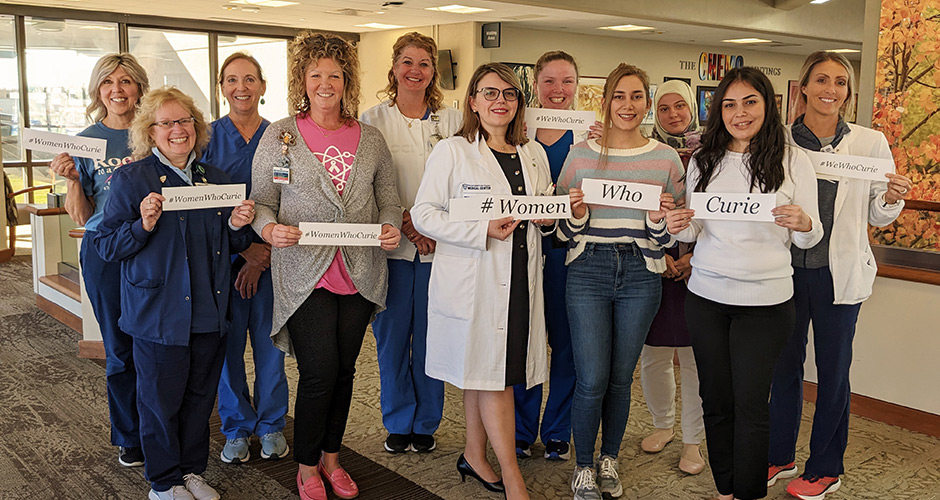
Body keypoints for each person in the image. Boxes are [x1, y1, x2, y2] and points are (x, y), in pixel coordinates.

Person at [249, 31, 401, 500]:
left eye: (334, 74)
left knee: (346, 371)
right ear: (302, 79)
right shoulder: (280, 135)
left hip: (360, 272)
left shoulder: (370, 139)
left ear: (347, 81)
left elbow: (389, 200)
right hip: (304, 273)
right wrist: (269, 231)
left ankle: (333, 459)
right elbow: (260, 203)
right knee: (319, 372)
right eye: (316, 74)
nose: (325, 83)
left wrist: (391, 226)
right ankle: (307, 465)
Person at [665, 67, 823, 500]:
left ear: (767, 106)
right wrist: (679, 223)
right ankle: (725, 488)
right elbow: (694, 232)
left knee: (751, 406)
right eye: (729, 104)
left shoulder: (794, 160)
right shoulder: (704, 159)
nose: (740, 113)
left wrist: (805, 223)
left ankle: (748, 492)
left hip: (767, 302)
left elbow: (812, 234)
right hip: (707, 299)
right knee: (716, 402)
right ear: (719, 111)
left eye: (750, 102)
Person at [94, 86, 256, 500]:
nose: (177, 130)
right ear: (150, 132)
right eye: (166, 123)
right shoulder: (132, 179)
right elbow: (107, 246)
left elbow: (231, 245)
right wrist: (141, 225)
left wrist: (238, 225)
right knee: (160, 401)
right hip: (158, 313)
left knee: (200, 399)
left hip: (208, 309)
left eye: (184, 121)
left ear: (197, 128)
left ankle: (191, 472)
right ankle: (163, 481)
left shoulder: (217, 181)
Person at [767, 51, 911, 500]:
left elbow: (877, 214)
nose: (831, 89)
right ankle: (779, 453)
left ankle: (826, 467)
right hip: (785, 272)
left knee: (833, 372)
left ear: (847, 92)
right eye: (822, 80)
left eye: (840, 82)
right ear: (804, 87)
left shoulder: (869, 143)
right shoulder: (779, 141)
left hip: (838, 274)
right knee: (783, 368)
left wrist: (891, 197)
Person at [411, 62, 553, 500]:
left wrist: (559, 214)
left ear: (518, 103)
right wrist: (480, 230)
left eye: (509, 94)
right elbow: (424, 214)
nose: (500, 102)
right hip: (476, 278)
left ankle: (475, 454)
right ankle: (513, 478)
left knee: (484, 371)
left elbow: (541, 216)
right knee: (497, 376)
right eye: (490, 93)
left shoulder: (534, 154)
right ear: (472, 101)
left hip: (521, 277)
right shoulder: (452, 151)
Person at [556, 63, 684, 500]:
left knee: (620, 377)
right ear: (606, 101)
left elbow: (672, 234)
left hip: (641, 272)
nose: (627, 105)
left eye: (635, 96)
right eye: (618, 96)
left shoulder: (665, 159)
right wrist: (575, 215)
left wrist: (657, 222)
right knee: (590, 377)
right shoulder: (580, 155)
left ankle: (610, 456)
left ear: (646, 102)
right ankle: (584, 467)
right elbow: (561, 230)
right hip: (588, 268)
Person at [360, 32, 461, 455]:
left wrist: (433, 228)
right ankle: (398, 420)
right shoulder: (372, 119)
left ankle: (426, 422)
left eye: (424, 63)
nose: (415, 70)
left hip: (443, 250)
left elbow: (464, 182)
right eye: (407, 62)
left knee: (432, 338)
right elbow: (367, 183)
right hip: (393, 250)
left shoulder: (453, 120)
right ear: (394, 67)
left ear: (433, 71)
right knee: (393, 340)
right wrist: (408, 223)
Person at [48, 53, 150, 468]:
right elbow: (84, 216)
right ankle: (130, 435)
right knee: (119, 346)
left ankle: (163, 424)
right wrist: (72, 180)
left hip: (151, 246)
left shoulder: (154, 132)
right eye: (108, 82)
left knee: (158, 344)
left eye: (126, 81)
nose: (117, 90)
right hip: (105, 250)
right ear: (97, 91)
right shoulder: (85, 141)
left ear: (139, 88)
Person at [202, 52, 289, 464]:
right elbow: (200, 207)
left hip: (274, 259)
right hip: (224, 261)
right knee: (228, 348)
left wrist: (262, 254)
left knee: (271, 345)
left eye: (250, 79)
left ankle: (271, 423)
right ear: (221, 87)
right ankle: (236, 427)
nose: (242, 87)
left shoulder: (283, 138)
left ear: (263, 87)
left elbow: (294, 200)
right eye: (232, 80)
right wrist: (244, 251)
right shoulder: (204, 138)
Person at [511, 50, 588, 463]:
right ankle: (521, 430)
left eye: (567, 82)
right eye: (550, 82)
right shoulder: (517, 133)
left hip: (569, 256)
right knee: (524, 344)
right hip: (522, 254)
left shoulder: (590, 138)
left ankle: (558, 430)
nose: (558, 91)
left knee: (567, 347)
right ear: (535, 86)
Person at [640, 79, 706, 475]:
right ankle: (662, 424)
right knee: (654, 355)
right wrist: (663, 253)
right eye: (663, 108)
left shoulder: (715, 152)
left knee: (697, 360)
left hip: (701, 269)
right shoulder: (647, 151)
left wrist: (694, 257)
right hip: (655, 264)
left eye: (679, 106)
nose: (673, 115)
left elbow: (721, 212)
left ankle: (693, 441)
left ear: (691, 108)